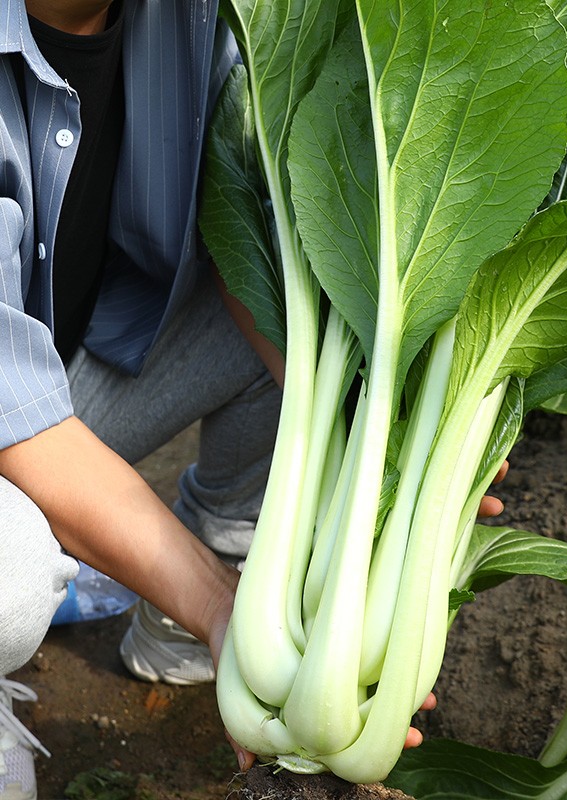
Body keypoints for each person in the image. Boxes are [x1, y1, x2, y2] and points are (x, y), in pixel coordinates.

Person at [0, 0, 505, 797]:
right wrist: (219, 605)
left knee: (308, 342)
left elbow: (238, 237)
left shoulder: (193, 15)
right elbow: (16, 421)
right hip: (15, 417)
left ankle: (172, 629)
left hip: (66, 360)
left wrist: (397, 451)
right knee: (12, 574)